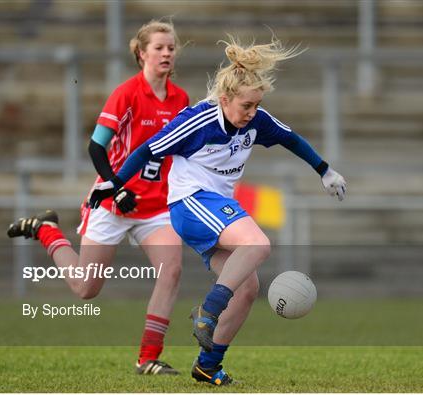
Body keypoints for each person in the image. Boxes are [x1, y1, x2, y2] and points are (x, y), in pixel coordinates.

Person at [89, 36, 347, 385]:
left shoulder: (256, 119)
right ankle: (207, 312)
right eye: (246, 106)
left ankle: (207, 364)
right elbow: (148, 150)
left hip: (217, 207)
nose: (252, 113)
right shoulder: (198, 121)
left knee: (247, 289)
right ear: (224, 99)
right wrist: (115, 182)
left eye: (256, 105)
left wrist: (324, 170)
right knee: (257, 245)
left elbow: (291, 138)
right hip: (189, 203)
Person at [7, 20, 189, 375]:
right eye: (159, 47)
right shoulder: (127, 94)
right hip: (112, 201)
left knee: (172, 270)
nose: (167, 53)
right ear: (141, 54)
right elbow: (96, 147)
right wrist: (117, 188)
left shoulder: (181, 99)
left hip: (154, 207)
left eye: (171, 47)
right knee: (86, 288)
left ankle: (147, 358)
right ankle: (46, 230)